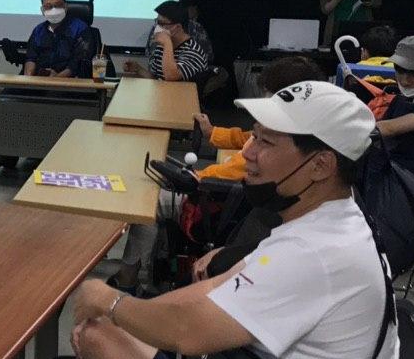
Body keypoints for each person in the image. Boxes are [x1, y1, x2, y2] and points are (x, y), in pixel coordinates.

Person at [58, 81, 396, 359]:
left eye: (266, 142)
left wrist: (110, 300)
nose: (249, 151)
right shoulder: (331, 222)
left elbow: (189, 334)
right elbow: (216, 289)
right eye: (253, 135)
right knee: (107, 351)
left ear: (320, 165)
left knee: (95, 335)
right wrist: (136, 313)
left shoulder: (313, 255)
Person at [108, 55, 323, 291]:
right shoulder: (295, 134)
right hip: (219, 193)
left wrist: (198, 176)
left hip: (211, 202)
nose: (253, 147)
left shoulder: (277, 153)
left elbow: (228, 172)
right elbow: (246, 137)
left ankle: (131, 277)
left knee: (146, 202)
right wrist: (213, 133)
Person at [0, 0, 93, 172]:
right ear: (42, 9)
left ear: (65, 6)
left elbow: (77, 62)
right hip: (39, 79)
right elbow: (31, 58)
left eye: (57, 5)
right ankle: (7, 152)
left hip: (67, 82)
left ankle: (44, 153)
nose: (53, 10)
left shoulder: (81, 29)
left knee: (51, 100)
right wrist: (28, 80)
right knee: (9, 96)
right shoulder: (39, 30)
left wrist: (56, 80)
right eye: (48, 6)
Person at [376, 35, 414, 182]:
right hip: (393, 175)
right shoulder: (400, 99)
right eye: (400, 71)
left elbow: (389, 128)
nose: (405, 80)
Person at [122, 0, 210, 82]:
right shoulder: (161, 47)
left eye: (162, 23)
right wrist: (138, 69)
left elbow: (171, 76)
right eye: (157, 22)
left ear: (178, 27)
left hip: (182, 97)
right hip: (162, 95)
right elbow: (157, 80)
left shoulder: (193, 51)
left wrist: (167, 43)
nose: (157, 27)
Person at [144, 0, 212, 64]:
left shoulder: (195, 29)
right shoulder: (196, 28)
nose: (159, 27)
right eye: (159, 22)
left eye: (162, 23)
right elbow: (208, 56)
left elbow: (206, 56)